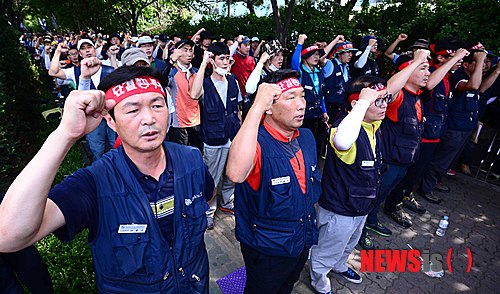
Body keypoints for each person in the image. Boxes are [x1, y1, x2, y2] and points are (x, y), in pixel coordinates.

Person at [0, 66, 214, 293]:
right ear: (111, 121)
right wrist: (66, 134)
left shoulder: (191, 159)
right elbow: (8, 236)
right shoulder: (94, 183)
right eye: (133, 110)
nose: (149, 119)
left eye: (157, 105)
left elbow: (207, 197)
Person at [226, 69, 322, 294]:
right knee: (260, 288)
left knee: (287, 285)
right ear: (268, 106)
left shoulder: (306, 137)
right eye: (291, 98)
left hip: (301, 239)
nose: (301, 104)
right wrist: (256, 107)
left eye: (302, 96)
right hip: (266, 248)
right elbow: (236, 174)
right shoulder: (255, 143)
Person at [310, 76, 388, 294]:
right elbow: (343, 141)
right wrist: (364, 103)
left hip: (361, 206)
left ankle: (339, 264)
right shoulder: (342, 128)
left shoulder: (373, 123)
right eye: (378, 101)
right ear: (357, 104)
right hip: (340, 209)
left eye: (385, 99)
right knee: (327, 249)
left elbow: (397, 86)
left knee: (349, 243)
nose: (384, 106)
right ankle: (319, 278)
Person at [417, 45, 487, 203]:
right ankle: (425, 188)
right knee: (439, 160)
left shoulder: (451, 76)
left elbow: (480, 88)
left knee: (446, 160)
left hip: (456, 127)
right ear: (466, 65)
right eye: (478, 63)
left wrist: (495, 71)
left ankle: (432, 183)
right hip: (449, 127)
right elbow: (474, 85)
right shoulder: (457, 76)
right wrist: (479, 57)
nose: (482, 66)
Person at [192, 42, 242, 229]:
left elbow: (237, 109)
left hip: (233, 135)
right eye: (221, 58)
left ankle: (227, 203)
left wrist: (241, 131)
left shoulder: (233, 81)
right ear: (213, 60)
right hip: (213, 138)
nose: (225, 62)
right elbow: (194, 94)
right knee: (212, 177)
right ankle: (208, 211)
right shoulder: (205, 83)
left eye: (227, 59)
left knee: (232, 174)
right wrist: (203, 63)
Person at [48, 38, 116, 161]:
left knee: (116, 144)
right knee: (97, 149)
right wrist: (58, 52)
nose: (87, 51)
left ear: (94, 49)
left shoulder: (109, 67)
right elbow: (53, 72)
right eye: (83, 49)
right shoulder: (75, 71)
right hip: (92, 117)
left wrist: (113, 55)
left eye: (89, 47)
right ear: (80, 53)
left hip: (112, 114)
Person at [166, 39, 203, 150]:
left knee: (197, 152)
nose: (189, 54)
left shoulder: (196, 72)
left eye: (191, 50)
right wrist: (171, 60)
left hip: (195, 120)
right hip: (178, 122)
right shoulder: (172, 72)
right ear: (177, 52)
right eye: (185, 50)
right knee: (180, 154)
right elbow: (162, 81)